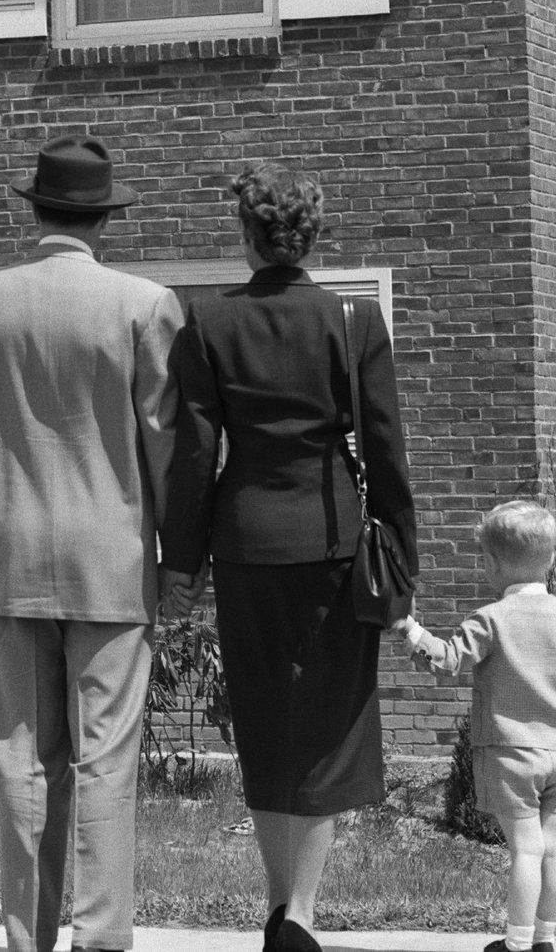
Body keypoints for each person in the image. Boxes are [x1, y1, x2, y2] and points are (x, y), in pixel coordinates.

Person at [0, 134, 182, 952]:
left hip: (11, 558)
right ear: (103, 219)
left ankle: (27, 936)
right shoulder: (145, 304)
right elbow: (165, 448)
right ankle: (102, 936)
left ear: (32, 208)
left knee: (22, 758)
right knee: (107, 756)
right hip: (111, 562)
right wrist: (177, 559)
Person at [158, 162, 418, 952]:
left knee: (264, 720)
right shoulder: (353, 322)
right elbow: (386, 447)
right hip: (335, 541)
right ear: (311, 239)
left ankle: (280, 907)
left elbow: (194, 455)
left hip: (245, 542)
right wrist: (401, 554)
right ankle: (300, 910)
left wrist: (181, 561)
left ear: (247, 238)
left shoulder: (206, 322)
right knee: (330, 724)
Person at [401, 500, 556, 952]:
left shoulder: (492, 620)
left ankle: (516, 944)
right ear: (551, 559)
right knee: (555, 851)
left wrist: (409, 630)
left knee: (525, 850)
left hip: (512, 754)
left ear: (491, 563)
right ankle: (545, 939)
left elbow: (447, 659)